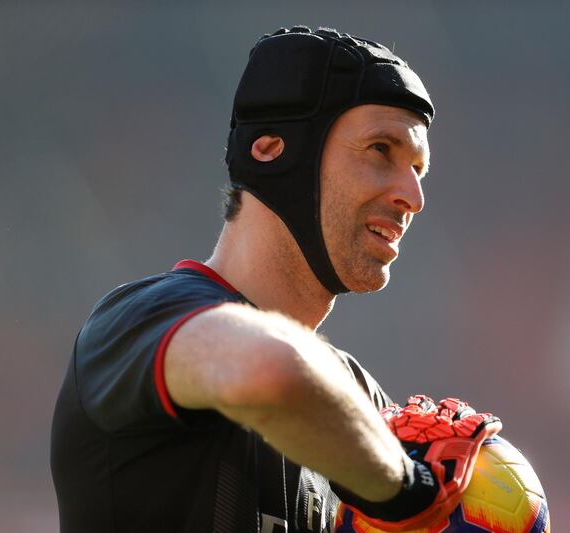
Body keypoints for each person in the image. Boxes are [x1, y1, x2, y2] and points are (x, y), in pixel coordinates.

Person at [50, 26, 500, 533]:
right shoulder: (137, 322)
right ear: (271, 149)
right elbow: (273, 373)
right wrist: (405, 490)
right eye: (381, 150)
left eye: (419, 169)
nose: (413, 196)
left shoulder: (358, 399)